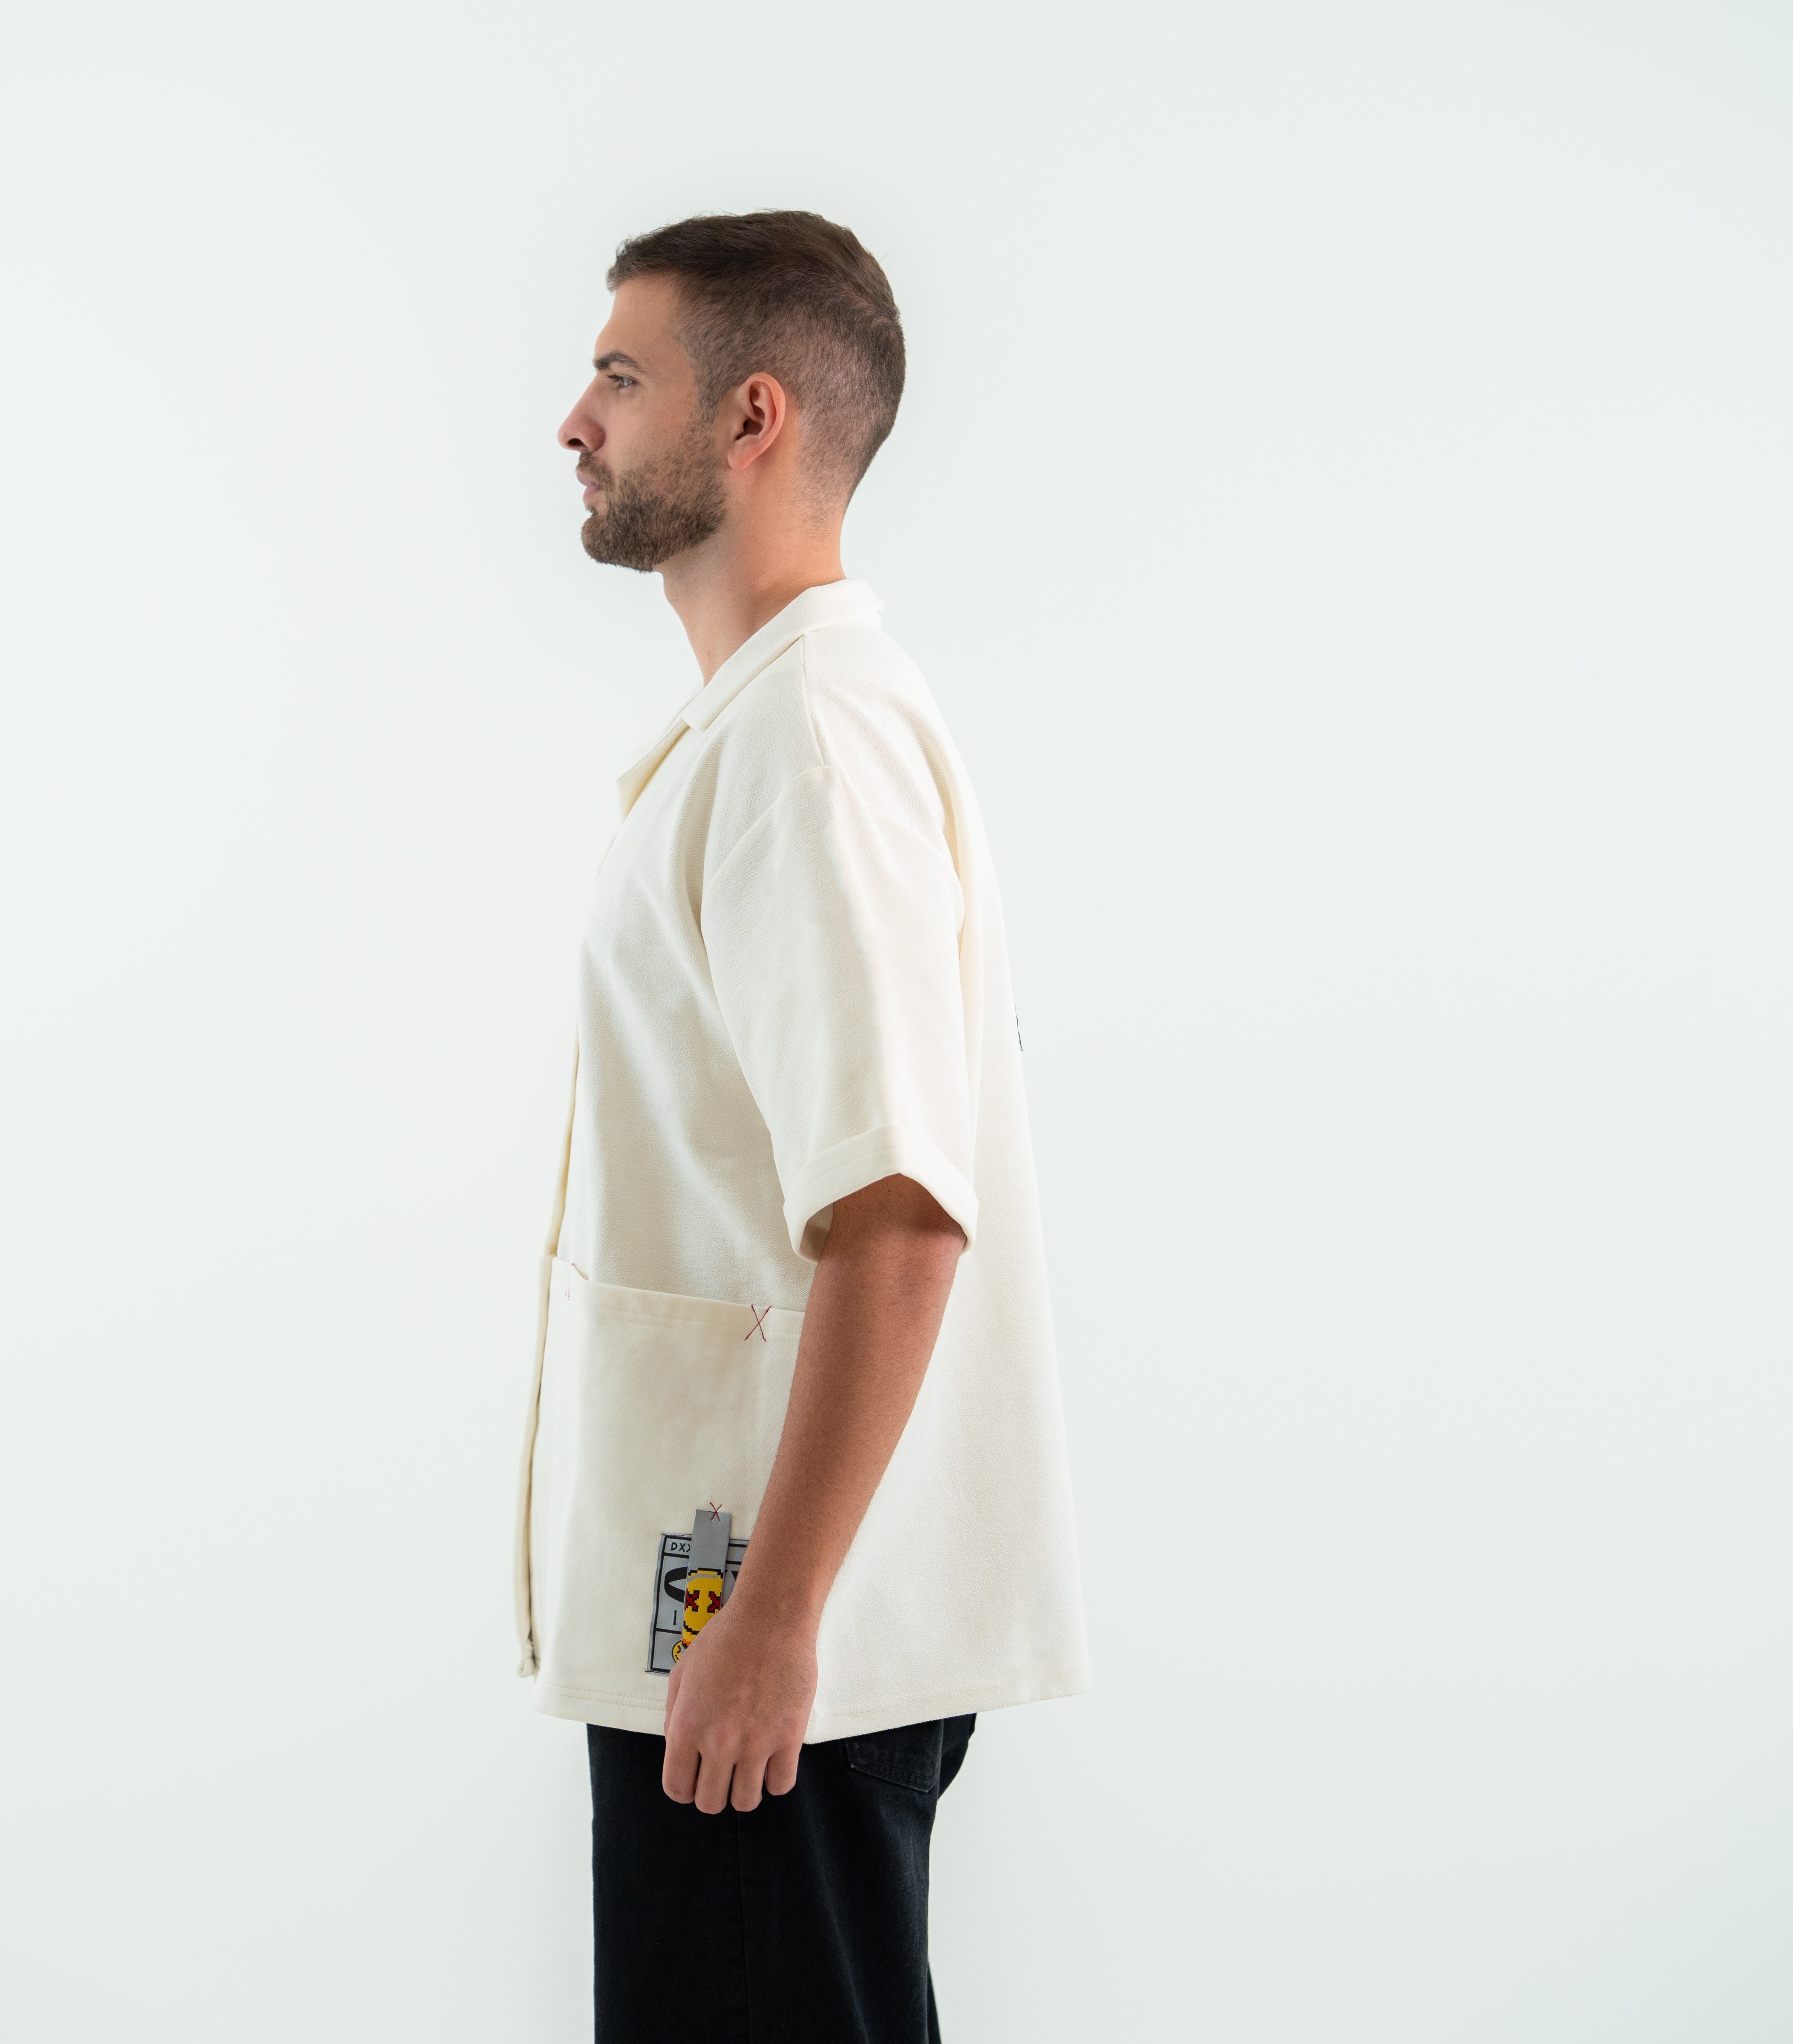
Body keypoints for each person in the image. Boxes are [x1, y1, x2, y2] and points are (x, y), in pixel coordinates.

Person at [511, 210, 1088, 2044]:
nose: (572, 421)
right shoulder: (771, 725)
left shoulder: (807, 743)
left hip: (770, 1645)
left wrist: (763, 1618)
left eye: (621, 374)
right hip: (749, 1622)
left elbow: (900, 1212)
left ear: (752, 416)